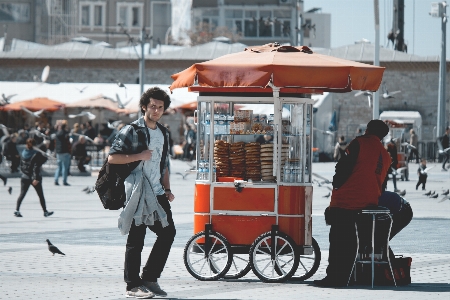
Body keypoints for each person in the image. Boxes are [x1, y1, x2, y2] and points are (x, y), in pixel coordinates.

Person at [108, 87, 175, 298]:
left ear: (164, 110)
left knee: (168, 232)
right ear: (144, 106)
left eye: (160, 107)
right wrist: (138, 156)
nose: (155, 110)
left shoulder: (164, 132)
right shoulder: (132, 130)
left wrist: (167, 188)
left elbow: (164, 164)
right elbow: (112, 158)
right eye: (152, 106)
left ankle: (149, 277)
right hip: (137, 191)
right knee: (137, 238)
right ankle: (132, 285)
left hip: (156, 192)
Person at [314, 120, 391, 287]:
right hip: (369, 202)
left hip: (347, 200)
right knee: (351, 240)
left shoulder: (359, 143)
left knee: (338, 240)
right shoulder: (385, 155)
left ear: (368, 129)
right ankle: (348, 276)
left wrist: (337, 184)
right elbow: (383, 183)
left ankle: (335, 277)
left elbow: (343, 167)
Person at [14, 138, 53, 218]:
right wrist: (36, 178)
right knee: (40, 195)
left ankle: (16, 210)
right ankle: (45, 211)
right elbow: (36, 166)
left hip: (24, 176)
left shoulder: (24, 152)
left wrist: (25, 173)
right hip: (33, 177)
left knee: (22, 194)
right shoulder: (36, 154)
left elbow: (22, 166)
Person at [378, 191, 413, 260]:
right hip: (395, 208)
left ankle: (391, 267)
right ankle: (389, 266)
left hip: (402, 211)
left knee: (379, 241)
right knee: (378, 241)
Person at [54, 121, 71, 186]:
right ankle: (64, 181)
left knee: (59, 167)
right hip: (65, 151)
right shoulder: (66, 133)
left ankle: (56, 180)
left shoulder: (57, 133)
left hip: (58, 152)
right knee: (65, 167)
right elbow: (68, 142)